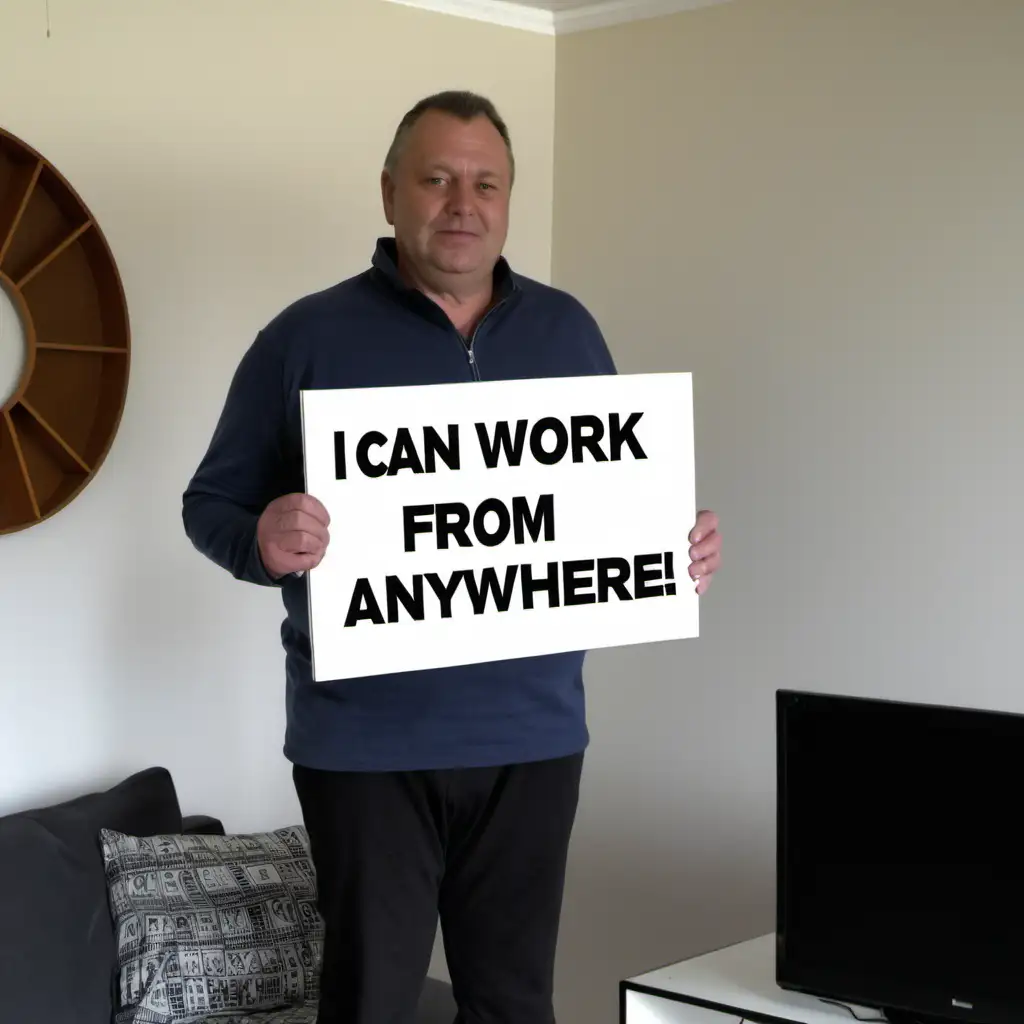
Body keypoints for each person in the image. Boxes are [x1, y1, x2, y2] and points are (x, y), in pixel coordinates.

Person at [182, 90, 722, 1024]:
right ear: (390, 193)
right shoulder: (304, 338)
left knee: (514, 1003)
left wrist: (670, 547)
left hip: (533, 740)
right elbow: (211, 505)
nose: (461, 203)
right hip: (364, 748)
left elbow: (596, 500)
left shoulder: (567, 331)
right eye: (436, 180)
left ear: (509, 201)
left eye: (485, 183)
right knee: (370, 1002)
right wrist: (263, 541)